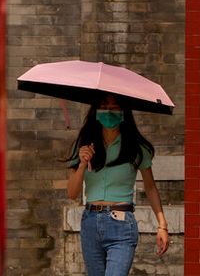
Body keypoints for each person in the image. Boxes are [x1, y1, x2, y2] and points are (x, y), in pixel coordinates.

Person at [66, 93, 169, 276]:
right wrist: (82, 164)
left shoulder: (136, 147)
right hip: (90, 222)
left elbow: (150, 187)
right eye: (104, 107)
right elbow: (72, 193)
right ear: (96, 111)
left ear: (124, 112)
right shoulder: (84, 145)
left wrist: (162, 225)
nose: (109, 112)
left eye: (114, 108)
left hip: (121, 224)